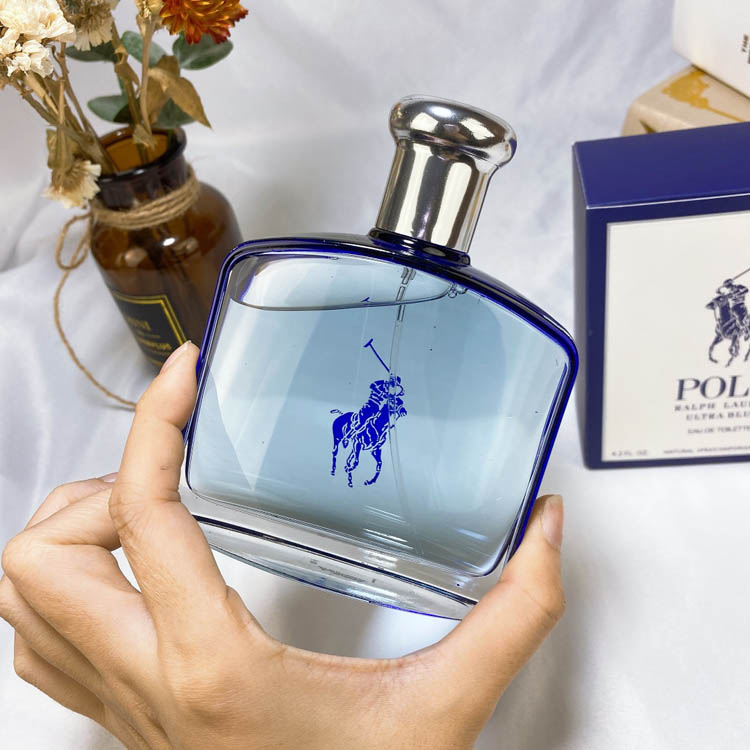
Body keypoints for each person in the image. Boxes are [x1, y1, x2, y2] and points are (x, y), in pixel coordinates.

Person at [0, 342, 565, 749]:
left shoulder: (390, 391)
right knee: (362, 431)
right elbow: (379, 394)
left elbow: (395, 397)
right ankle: (347, 462)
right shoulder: (375, 394)